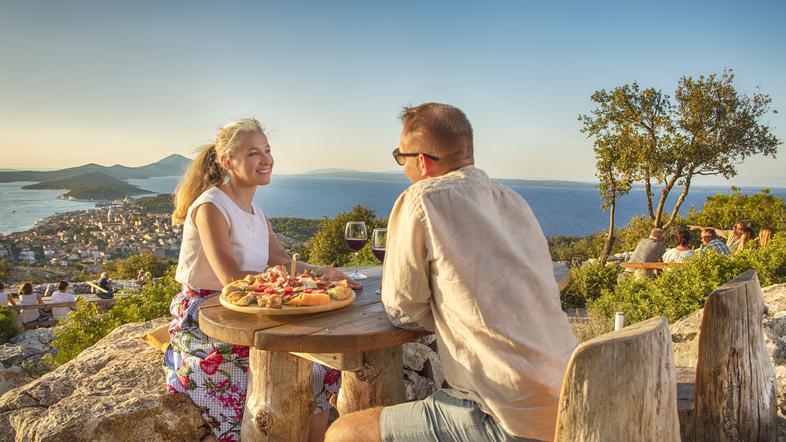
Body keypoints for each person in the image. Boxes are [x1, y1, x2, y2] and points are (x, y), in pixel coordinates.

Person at [326, 103, 578, 442]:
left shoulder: (421, 199)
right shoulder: (513, 201)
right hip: (570, 399)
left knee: (345, 432)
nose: (403, 168)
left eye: (401, 158)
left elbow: (402, 309)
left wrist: (448, 314)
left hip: (506, 416)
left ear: (422, 161)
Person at [164, 118, 359, 442]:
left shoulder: (256, 210)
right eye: (253, 153)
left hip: (250, 310)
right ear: (227, 161)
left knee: (321, 367)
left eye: (267, 150)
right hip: (208, 314)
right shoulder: (211, 207)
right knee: (281, 374)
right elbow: (231, 279)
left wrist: (322, 273)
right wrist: (292, 283)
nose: (266, 159)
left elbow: (280, 259)